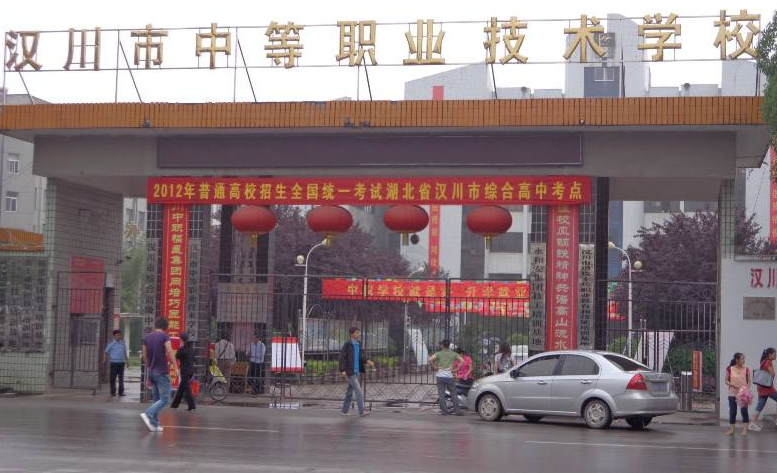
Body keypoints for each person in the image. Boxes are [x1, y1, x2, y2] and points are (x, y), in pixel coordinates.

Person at [140, 318, 178, 433]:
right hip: (161, 372)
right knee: (165, 399)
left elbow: (144, 355)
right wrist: (176, 367)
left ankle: (154, 424)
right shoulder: (165, 337)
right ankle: (148, 413)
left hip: (151, 372)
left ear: (155, 325)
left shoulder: (147, 337)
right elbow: (170, 352)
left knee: (156, 398)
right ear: (165, 327)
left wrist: (149, 366)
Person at [338, 327, 374, 417]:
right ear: (352, 334)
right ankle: (362, 411)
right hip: (350, 371)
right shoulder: (347, 344)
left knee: (349, 393)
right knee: (358, 391)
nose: (359, 334)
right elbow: (342, 357)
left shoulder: (359, 344)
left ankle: (344, 411)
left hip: (356, 371)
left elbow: (361, 356)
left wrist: (367, 361)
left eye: (359, 332)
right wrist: (342, 370)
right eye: (357, 332)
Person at [429, 339, 464, 415]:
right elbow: (462, 361)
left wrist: (434, 367)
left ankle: (444, 411)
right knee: (454, 394)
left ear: (442, 345)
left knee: (441, 395)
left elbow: (430, 359)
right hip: (449, 376)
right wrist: (456, 369)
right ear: (448, 345)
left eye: (441, 344)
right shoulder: (453, 354)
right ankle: (457, 411)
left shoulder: (438, 353)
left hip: (440, 376)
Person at [749, 347, 777, 432]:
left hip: (762, 387)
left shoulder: (763, 361)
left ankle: (752, 424)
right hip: (767, 388)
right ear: (769, 354)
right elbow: (772, 374)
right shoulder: (768, 362)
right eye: (774, 354)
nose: (776, 355)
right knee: (760, 404)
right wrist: (773, 372)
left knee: (760, 405)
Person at [725, 352, 751, 436]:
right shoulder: (730, 369)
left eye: (744, 359)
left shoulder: (747, 369)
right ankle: (732, 430)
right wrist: (732, 384)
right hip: (732, 393)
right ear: (737, 360)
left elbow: (749, 381)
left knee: (744, 411)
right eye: (742, 359)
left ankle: (744, 431)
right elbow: (726, 380)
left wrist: (746, 389)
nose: (744, 360)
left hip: (743, 394)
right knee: (733, 411)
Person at [171, 332, 196, 411]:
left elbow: (176, 356)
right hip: (190, 370)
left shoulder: (183, 348)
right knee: (181, 388)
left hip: (185, 371)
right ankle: (174, 404)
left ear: (181, 339)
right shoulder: (191, 348)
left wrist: (181, 347)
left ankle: (192, 406)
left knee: (187, 389)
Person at [103, 329, 127, 397]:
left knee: (121, 378)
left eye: (119, 335)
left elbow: (124, 352)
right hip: (114, 363)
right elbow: (105, 351)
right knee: (113, 378)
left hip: (121, 363)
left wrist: (127, 360)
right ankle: (113, 392)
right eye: (117, 335)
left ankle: (121, 392)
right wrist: (104, 359)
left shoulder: (122, 343)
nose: (118, 336)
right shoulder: (111, 343)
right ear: (114, 336)